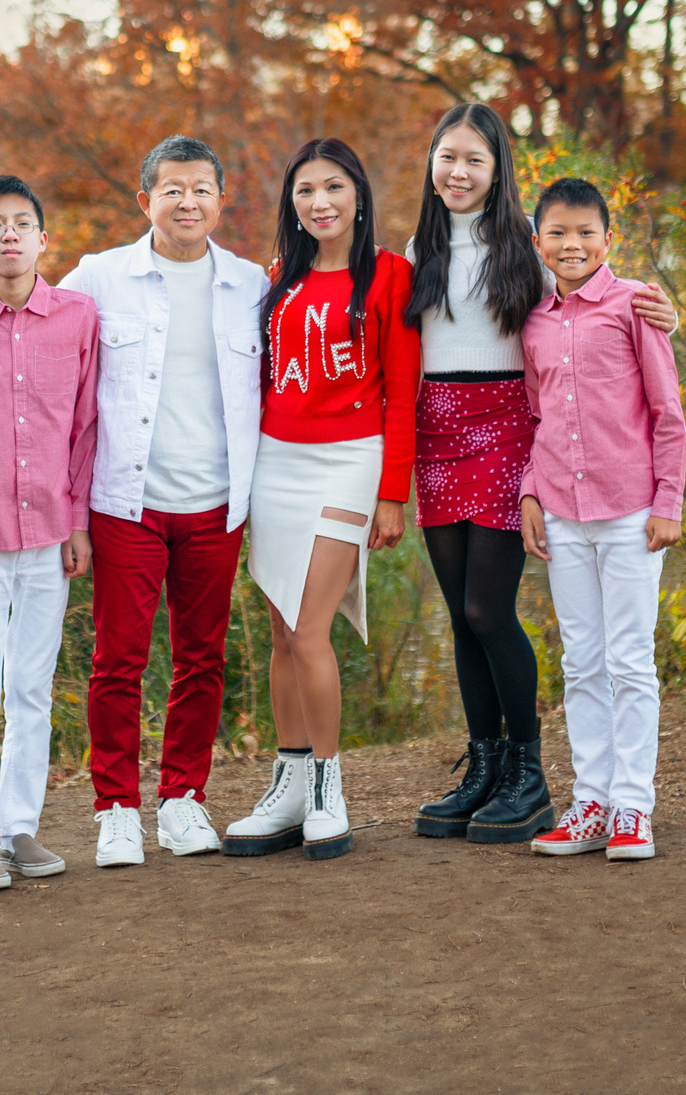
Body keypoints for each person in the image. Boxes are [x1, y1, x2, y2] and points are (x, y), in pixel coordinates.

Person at [404, 104, 677, 845]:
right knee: (463, 614)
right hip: (437, 431)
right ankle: (486, 767)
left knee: (491, 609)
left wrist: (663, 314)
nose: (458, 172)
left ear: (498, 171)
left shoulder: (525, 247)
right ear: (431, 162)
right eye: (447, 157)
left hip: (507, 429)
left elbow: (586, 307)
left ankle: (530, 773)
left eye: (475, 160)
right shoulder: (414, 249)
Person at [58, 135, 267, 868]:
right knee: (118, 659)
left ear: (220, 199)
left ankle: (183, 799)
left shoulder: (250, 286)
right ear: (145, 200)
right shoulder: (98, 278)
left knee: (202, 658)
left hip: (216, 502)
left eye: (201, 189)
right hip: (126, 501)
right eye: (172, 189)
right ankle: (115, 808)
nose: (187, 201)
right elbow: (53, 370)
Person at [221, 139, 419, 861]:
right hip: (277, 460)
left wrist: (391, 495)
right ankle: (290, 783)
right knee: (280, 633)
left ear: (357, 195)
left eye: (333, 187)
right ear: (292, 205)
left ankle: (331, 787)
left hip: (350, 461)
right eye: (305, 191)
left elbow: (404, 393)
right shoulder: (281, 278)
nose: (320, 202)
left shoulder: (391, 275)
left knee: (310, 630)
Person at [0, 175, 100, 895]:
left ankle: (19, 828)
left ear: (43, 239)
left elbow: (87, 429)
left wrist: (81, 524)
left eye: (22, 223)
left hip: (52, 535)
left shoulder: (78, 317)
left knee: (32, 687)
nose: (10, 234)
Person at [516, 177, 686, 863]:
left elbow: (667, 412)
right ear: (538, 242)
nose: (573, 243)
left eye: (586, 231)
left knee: (629, 660)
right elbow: (535, 416)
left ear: (608, 238)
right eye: (558, 232)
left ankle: (632, 808)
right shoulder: (532, 321)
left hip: (630, 514)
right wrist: (530, 491)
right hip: (562, 512)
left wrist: (669, 502)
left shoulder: (636, 305)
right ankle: (590, 802)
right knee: (581, 661)